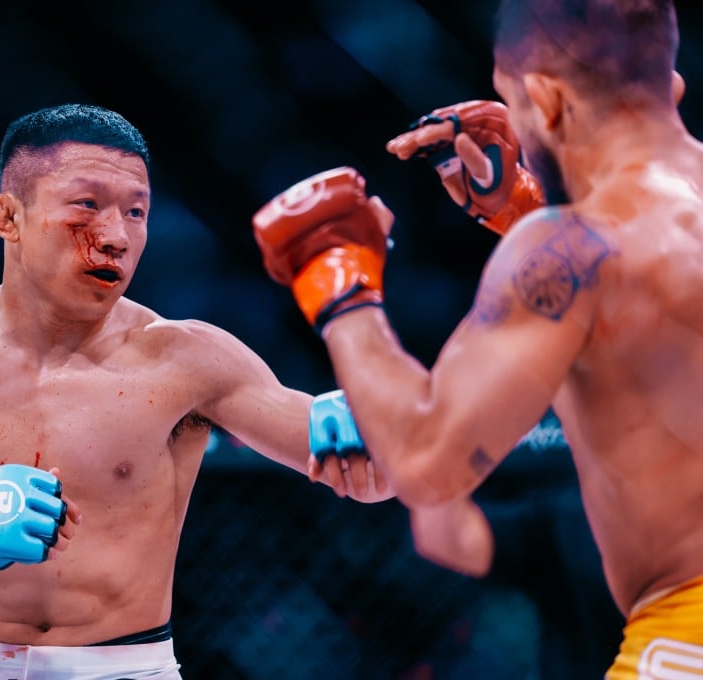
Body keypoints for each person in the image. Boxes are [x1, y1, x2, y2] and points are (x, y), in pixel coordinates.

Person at [0, 103, 388, 680]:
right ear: (7, 217)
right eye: (86, 205)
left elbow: (375, 473)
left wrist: (370, 399)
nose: (116, 237)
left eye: (137, 212)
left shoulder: (187, 359)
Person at [250, 1, 703, 678]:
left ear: (546, 101)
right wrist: (528, 204)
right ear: (669, 82)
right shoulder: (611, 235)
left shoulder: (570, 247)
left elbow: (428, 460)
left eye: (513, 103)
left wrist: (337, 278)